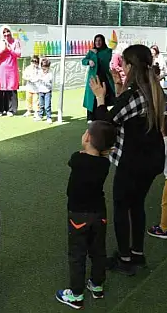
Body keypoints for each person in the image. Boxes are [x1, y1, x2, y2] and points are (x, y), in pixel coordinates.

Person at [88, 44, 165, 275]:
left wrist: (100, 98)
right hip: (151, 160)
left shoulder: (135, 93)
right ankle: (137, 255)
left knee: (122, 208)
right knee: (137, 206)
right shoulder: (152, 89)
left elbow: (105, 124)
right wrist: (117, 85)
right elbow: (128, 113)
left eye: (122, 62)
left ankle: (124, 259)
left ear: (130, 65)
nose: (120, 66)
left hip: (133, 162)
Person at [55, 121, 116, 310]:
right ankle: (97, 285)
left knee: (77, 254)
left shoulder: (77, 158)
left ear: (87, 138)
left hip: (78, 215)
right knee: (98, 251)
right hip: (99, 214)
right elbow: (96, 157)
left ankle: (76, 294)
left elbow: (74, 161)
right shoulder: (104, 163)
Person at [83, 35, 115, 121]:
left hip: (104, 78)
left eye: (99, 41)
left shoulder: (108, 51)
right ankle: (90, 117)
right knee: (91, 98)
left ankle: (102, 115)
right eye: (96, 41)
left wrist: (96, 54)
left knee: (102, 97)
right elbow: (84, 60)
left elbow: (105, 60)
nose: (98, 42)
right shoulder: (91, 51)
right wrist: (88, 61)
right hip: (93, 78)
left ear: (103, 41)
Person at [0, 25, 22, 117]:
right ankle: (0, 110)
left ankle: (11, 109)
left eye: (8, 32)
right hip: (0, 69)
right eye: (4, 32)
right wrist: (2, 50)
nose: (6, 34)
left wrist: (9, 49)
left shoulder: (16, 42)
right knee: (0, 89)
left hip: (11, 69)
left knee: (11, 89)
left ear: (11, 32)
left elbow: (18, 54)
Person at [34, 58, 53, 124]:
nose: (44, 70)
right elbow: (36, 79)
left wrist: (44, 80)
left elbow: (49, 84)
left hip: (47, 91)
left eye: (45, 68)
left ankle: (49, 117)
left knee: (47, 105)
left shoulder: (50, 74)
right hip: (41, 91)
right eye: (43, 68)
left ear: (48, 67)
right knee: (41, 104)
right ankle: (40, 116)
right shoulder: (40, 72)